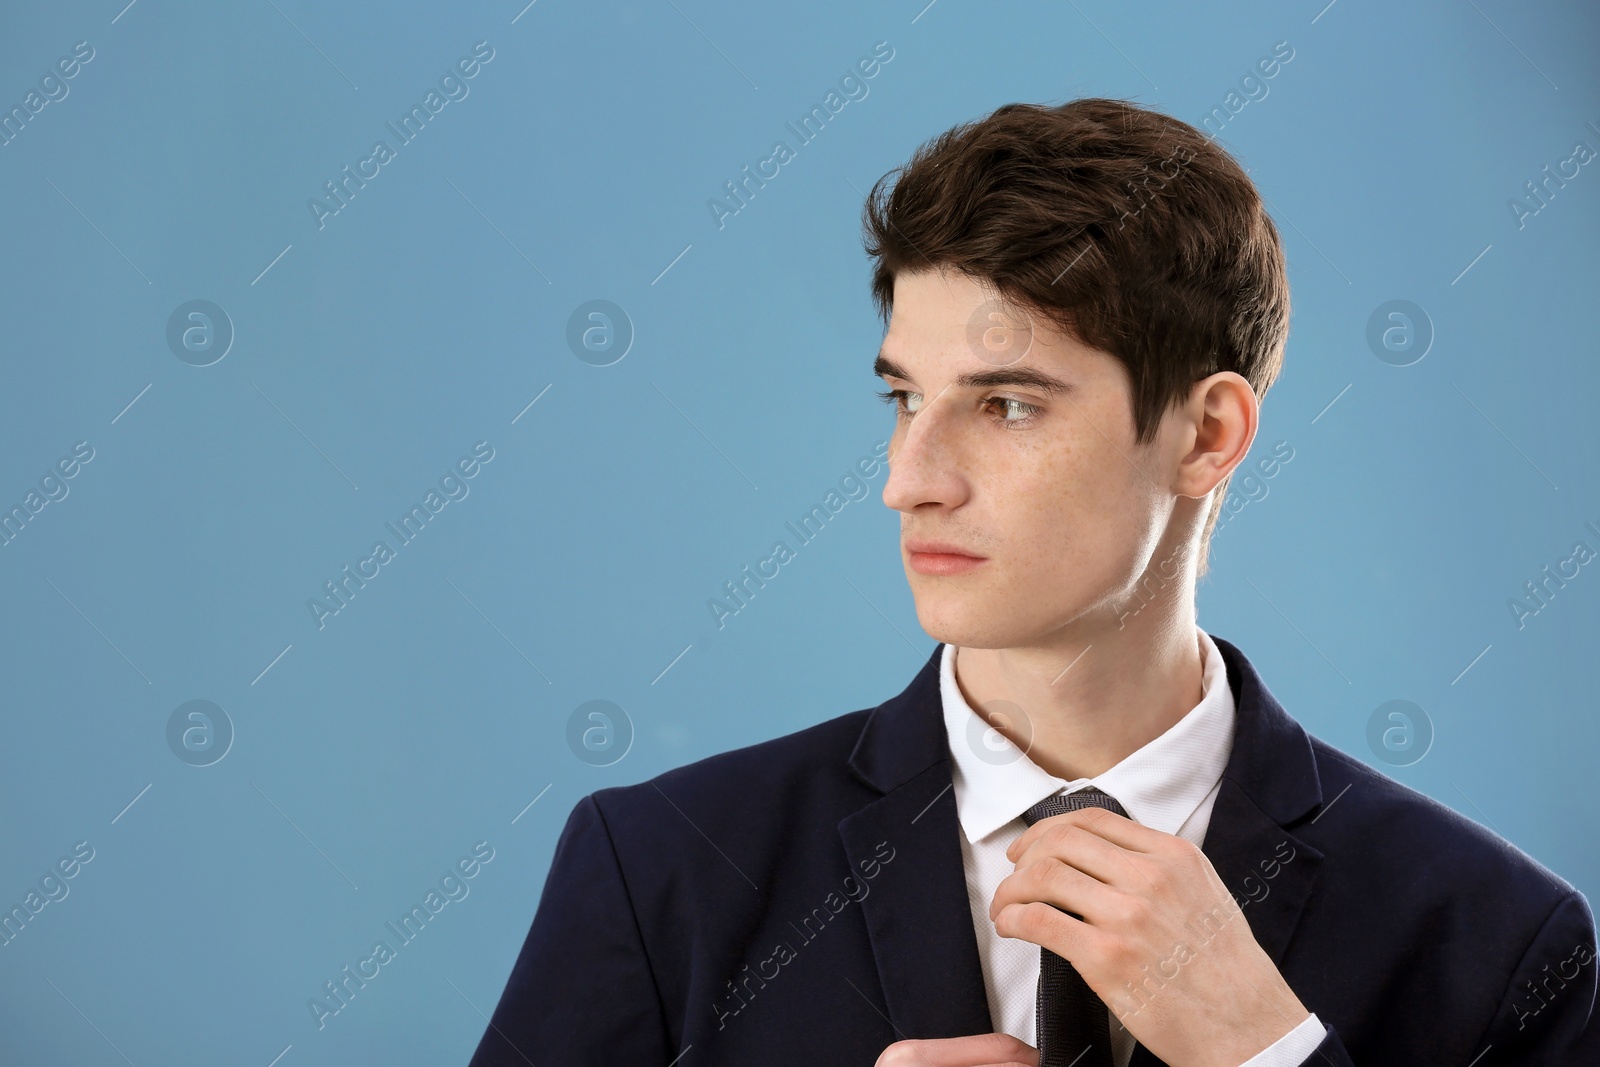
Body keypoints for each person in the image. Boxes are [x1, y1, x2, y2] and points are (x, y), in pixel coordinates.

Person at [467, 98, 1598, 1066]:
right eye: (904, 397)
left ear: (1206, 433)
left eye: (1005, 404)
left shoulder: (1496, 938)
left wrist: (1269, 1054)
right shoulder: (661, 872)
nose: (909, 480)